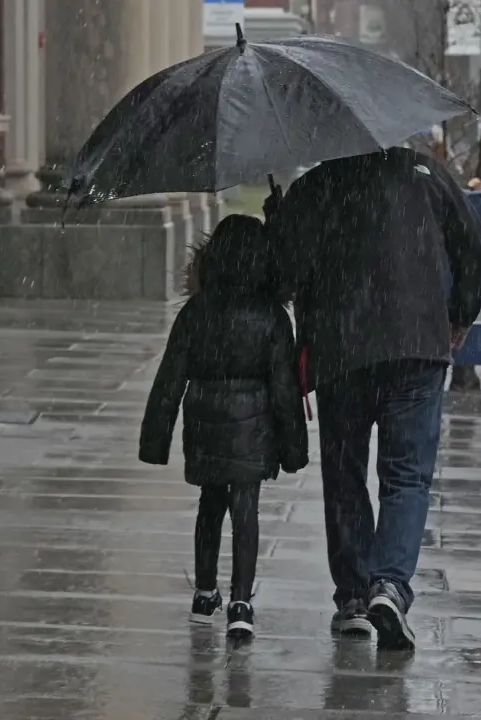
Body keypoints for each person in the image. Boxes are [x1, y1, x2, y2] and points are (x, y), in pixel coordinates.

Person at [266, 147, 481, 650]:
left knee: (344, 472)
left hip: (342, 348)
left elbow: (281, 276)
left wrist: (280, 223)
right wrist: (461, 312)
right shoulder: (424, 172)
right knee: (407, 475)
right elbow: (472, 240)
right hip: (416, 341)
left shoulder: (316, 185)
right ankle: (389, 584)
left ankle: (352, 597)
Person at [139, 214, 309, 639]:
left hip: (205, 424)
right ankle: (241, 601)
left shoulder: (196, 312)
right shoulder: (271, 317)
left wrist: (156, 439)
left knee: (210, 505)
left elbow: (169, 379)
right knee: (245, 510)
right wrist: (293, 448)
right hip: (254, 429)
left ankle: (203, 592)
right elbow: (285, 389)